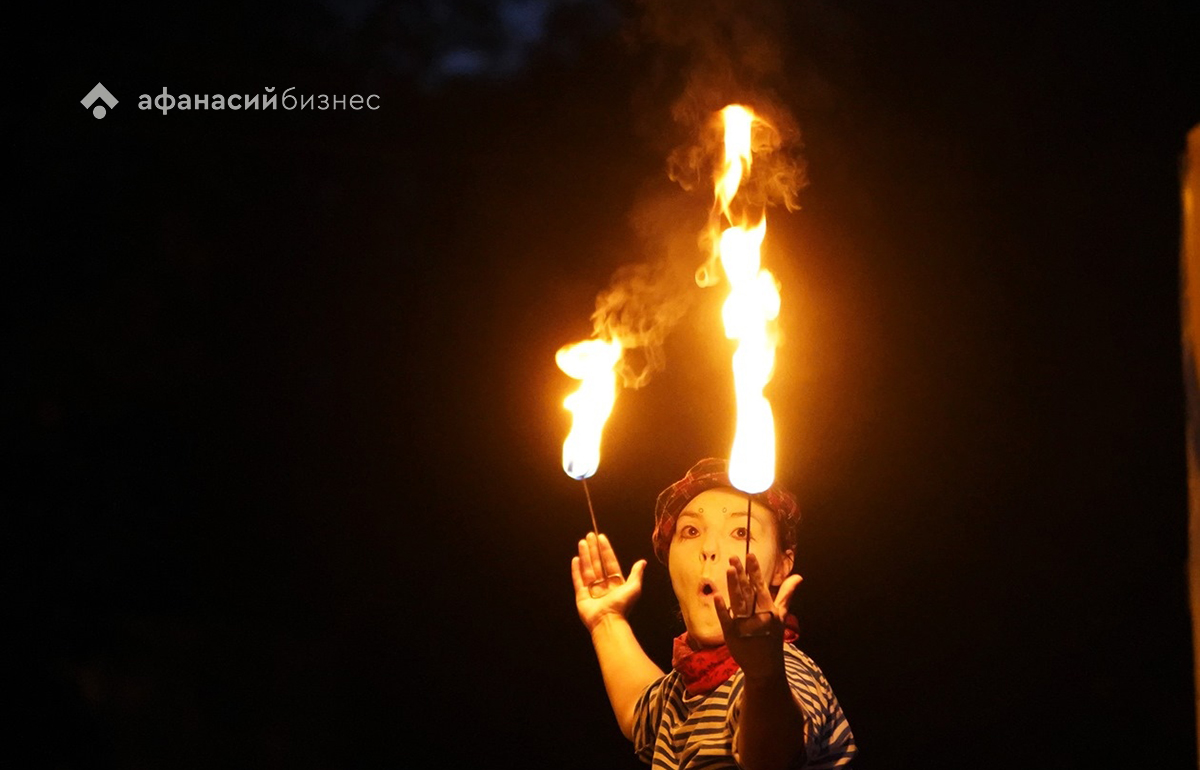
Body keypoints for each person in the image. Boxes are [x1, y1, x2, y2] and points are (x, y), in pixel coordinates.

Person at [571, 458, 856, 769]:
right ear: (668, 558)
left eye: (740, 531)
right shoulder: (680, 692)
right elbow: (639, 713)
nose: (709, 547)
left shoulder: (788, 671)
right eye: (691, 531)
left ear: (782, 565)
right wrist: (606, 620)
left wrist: (763, 676)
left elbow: (772, 758)